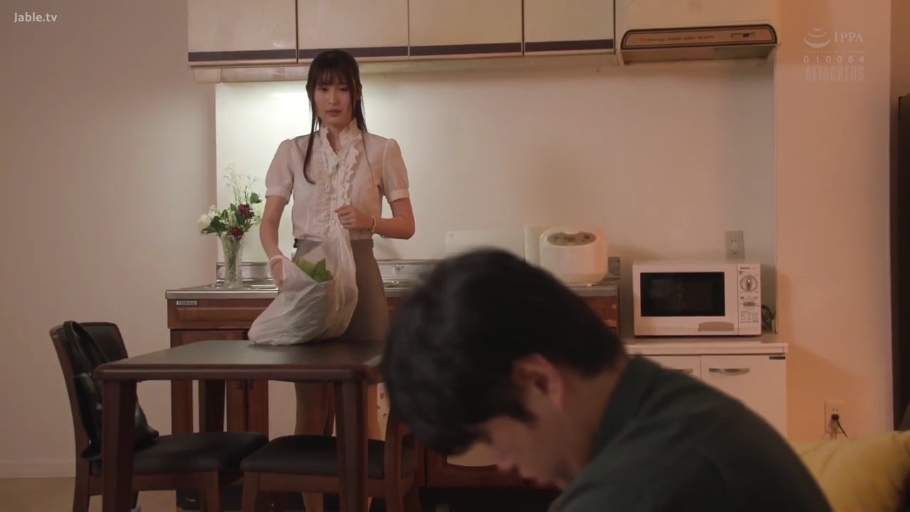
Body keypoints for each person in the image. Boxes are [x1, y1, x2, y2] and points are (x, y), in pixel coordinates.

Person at [381, 249, 833, 512]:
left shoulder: (640, 490)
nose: (501, 463)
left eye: (489, 437)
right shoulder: (678, 410)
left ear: (539, 382)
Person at [259, 49, 415, 512]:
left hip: (361, 272)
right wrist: (276, 259)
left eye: (342, 88)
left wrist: (370, 220)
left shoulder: (382, 149)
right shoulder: (292, 151)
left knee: (363, 405)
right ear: (311, 94)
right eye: (323, 88)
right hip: (309, 276)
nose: (333, 98)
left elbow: (407, 225)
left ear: (357, 93)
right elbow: (269, 223)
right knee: (310, 407)